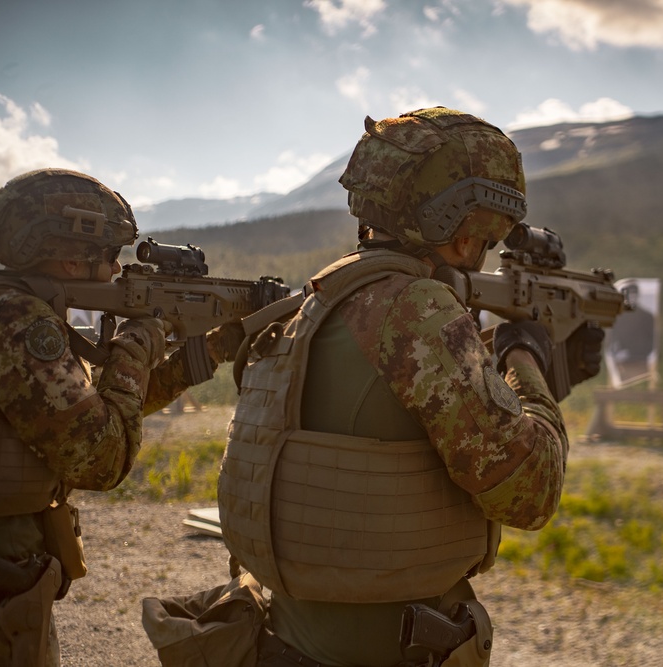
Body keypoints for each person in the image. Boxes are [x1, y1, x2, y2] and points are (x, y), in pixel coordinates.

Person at [217, 107, 603, 667]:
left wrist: (523, 374)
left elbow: (397, 425)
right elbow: (530, 489)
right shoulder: (413, 308)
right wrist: (527, 353)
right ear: (465, 224)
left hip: (286, 640)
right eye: (485, 234)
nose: (485, 247)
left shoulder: (321, 298)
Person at [0, 168, 243, 667]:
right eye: (111, 256)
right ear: (72, 257)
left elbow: (93, 410)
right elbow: (100, 458)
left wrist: (207, 350)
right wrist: (134, 350)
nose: (118, 270)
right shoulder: (18, 322)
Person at [606, 281, 656, 385]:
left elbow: (651, 341)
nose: (633, 297)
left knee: (641, 388)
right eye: (630, 294)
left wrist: (633, 353)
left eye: (634, 294)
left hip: (640, 360)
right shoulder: (618, 316)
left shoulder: (647, 316)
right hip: (621, 362)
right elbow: (613, 339)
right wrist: (618, 353)